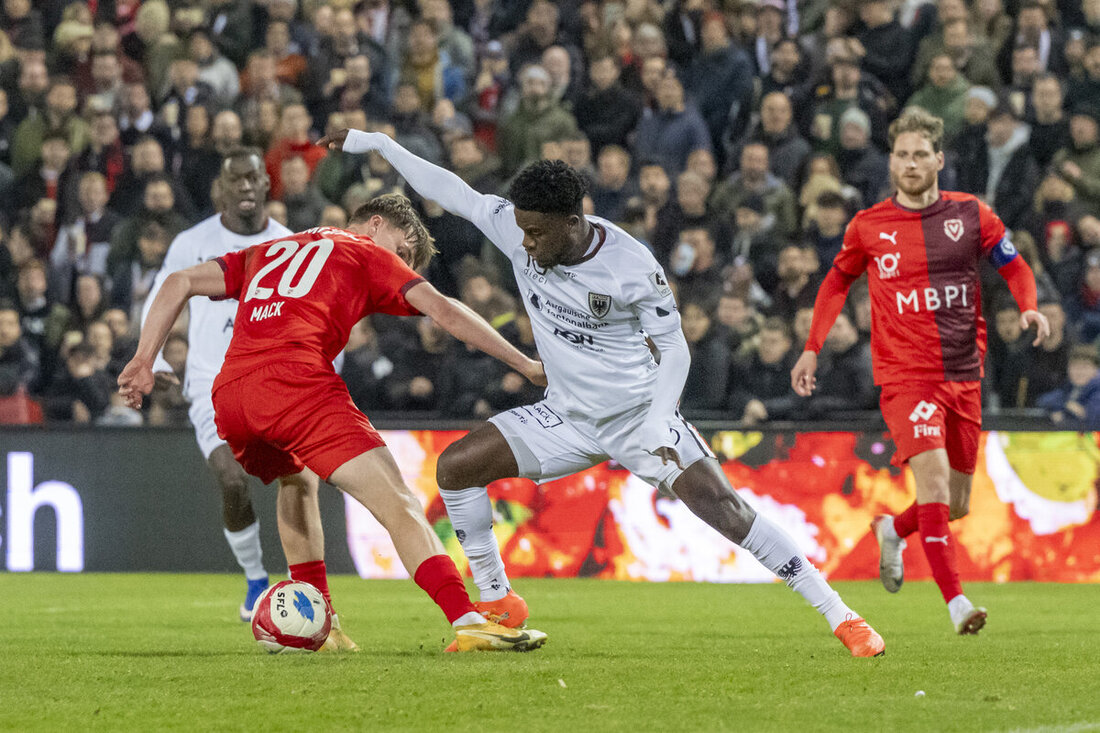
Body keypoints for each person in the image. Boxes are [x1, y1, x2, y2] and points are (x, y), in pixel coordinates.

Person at [322, 127, 886, 658]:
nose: (525, 243)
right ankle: (497, 599)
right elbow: (452, 188)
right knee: (456, 467)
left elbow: (677, 350)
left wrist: (660, 421)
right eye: (521, 229)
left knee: (728, 511)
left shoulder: (631, 265)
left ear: (573, 221)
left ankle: (843, 617)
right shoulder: (522, 233)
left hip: (639, 416)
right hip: (565, 415)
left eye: (538, 232)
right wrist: (377, 144)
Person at [120, 194, 549, 654]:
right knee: (398, 500)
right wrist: (525, 364)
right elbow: (443, 310)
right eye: (403, 252)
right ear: (376, 225)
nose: (404, 265)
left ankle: (320, 624)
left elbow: (179, 280)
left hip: (233, 393)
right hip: (295, 383)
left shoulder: (271, 249)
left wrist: (144, 358)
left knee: (296, 480)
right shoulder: (364, 251)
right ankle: (468, 621)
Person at [791, 108, 1051, 636]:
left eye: (918, 155)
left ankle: (893, 528)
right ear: (891, 161)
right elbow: (835, 285)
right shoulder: (869, 226)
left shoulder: (971, 215)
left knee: (954, 504)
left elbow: (1014, 264)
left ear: (938, 160)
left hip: (964, 373)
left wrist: (1029, 304)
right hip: (906, 377)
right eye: (901, 155)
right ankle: (957, 604)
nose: (909, 164)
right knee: (932, 485)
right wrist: (812, 346)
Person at [140, 147, 337, 638]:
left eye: (254, 178)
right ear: (220, 190)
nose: (246, 187)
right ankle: (255, 581)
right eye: (236, 180)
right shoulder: (193, 241)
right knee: (232, 481)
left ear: (267, 186)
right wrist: (156, 358)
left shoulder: (291, 243)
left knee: (297, 483)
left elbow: (313, 314)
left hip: (275, 382)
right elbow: (162, 295)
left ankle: (308, 593)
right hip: (210, 381)